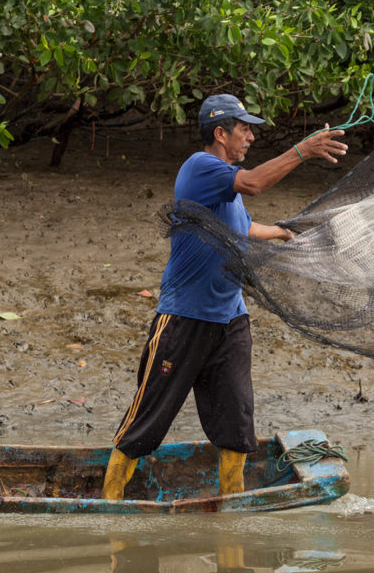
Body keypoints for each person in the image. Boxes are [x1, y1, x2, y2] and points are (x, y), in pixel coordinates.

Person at [102, 93, 347, 500]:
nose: (250, 136)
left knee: (237, 426)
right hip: (183, 320)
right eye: (244, 128)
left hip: (231, 322)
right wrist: (301, 151)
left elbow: (246, 228)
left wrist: (286, 233)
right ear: (220, 133)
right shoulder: (201, 168)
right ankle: (109, 503)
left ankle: (231, 511)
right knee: (146, 423)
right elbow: (252, 184)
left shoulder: (224, 191)